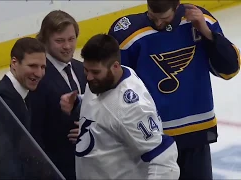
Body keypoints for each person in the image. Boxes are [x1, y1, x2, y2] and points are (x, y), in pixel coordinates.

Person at [108, 0, 240, 179]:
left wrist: (207, 33)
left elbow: (229, 69)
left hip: (196, 131)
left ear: (178, 8)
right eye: (152, 17)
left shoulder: (200, 22)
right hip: (151, 137)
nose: (158, 24)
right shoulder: (129, 34)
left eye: (164, 18)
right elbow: (115, 88)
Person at [60, 34, 180, 179]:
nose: (89, 77)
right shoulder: (107, 80)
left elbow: (164, 159)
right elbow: (103, 106)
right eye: (86, 70)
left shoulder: (130, 110)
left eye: (95, 72)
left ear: (115, 66)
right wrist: (79, 102)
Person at [0, 37, 53, 179]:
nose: (39, 73)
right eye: (32, 66)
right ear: (14, 63)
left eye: (42, 67)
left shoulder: (26, 93)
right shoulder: (2, 102)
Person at [28, 10, 87, 180]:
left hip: (88, 163)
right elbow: (35, 130)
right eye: (59, 41)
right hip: (58, 168)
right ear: (45, 41)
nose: (67, 46)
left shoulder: (81, 69)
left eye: (71, 39)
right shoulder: (37, 77)